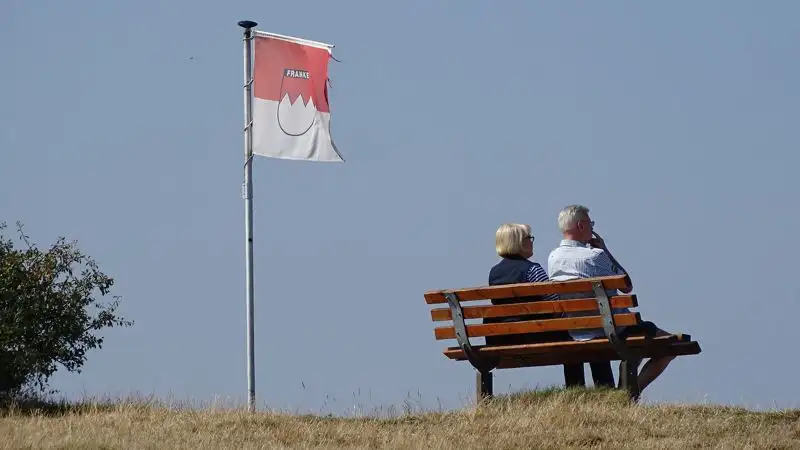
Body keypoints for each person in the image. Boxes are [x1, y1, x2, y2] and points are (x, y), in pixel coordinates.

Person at [547, 204, 674, 393]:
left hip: (575, 329)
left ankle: (624, 391)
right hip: (611, 328)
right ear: (581, 226)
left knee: (637, 344)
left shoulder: (553, 257)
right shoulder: (595, 256)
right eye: (591, 224)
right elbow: (626, 285)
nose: (593, 228)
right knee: (669, 345)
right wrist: (605, 249)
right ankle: (630, 393)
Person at [487, 223, 586, 388]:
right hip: (537, 335)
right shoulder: (533, 270)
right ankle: (576, 388)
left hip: (502, 338)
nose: (532, 241)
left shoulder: (494, 273)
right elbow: (556, 306)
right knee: (573, 337)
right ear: (518, 242)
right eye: (529, 238)